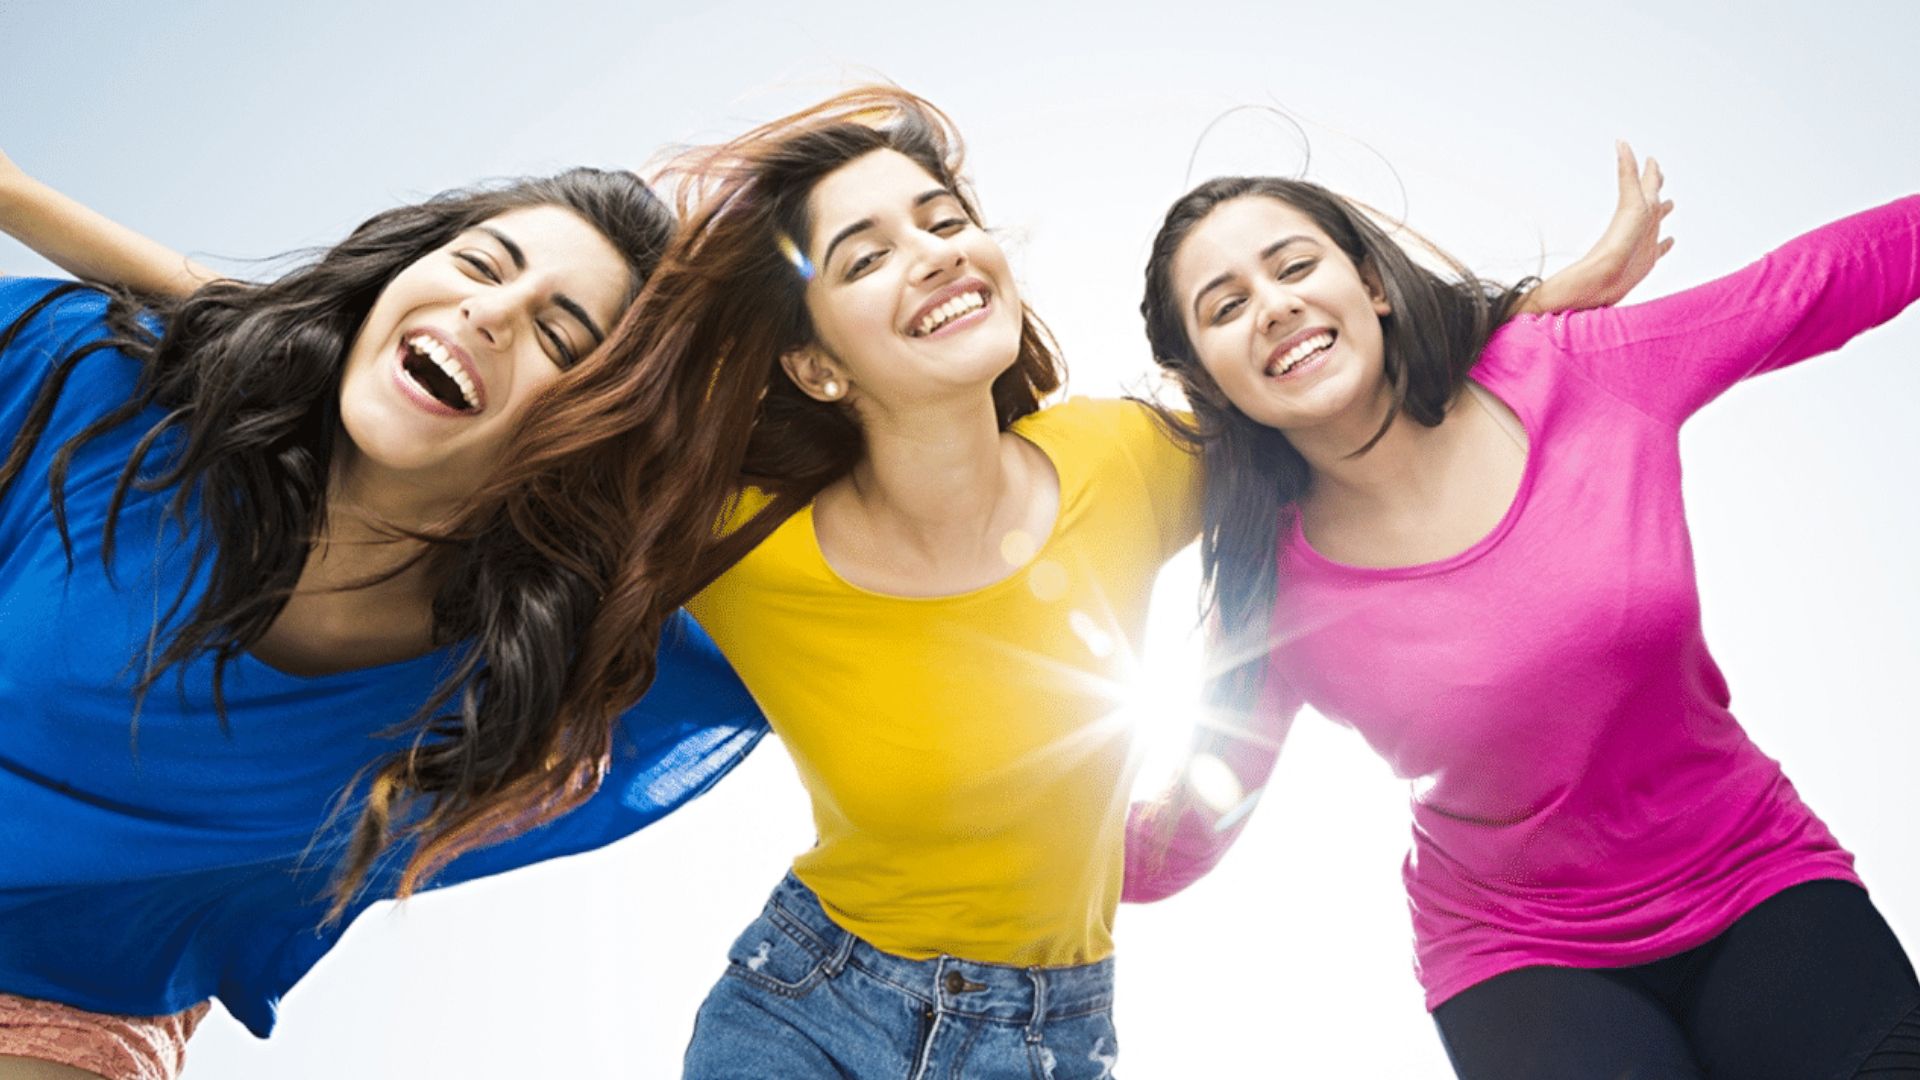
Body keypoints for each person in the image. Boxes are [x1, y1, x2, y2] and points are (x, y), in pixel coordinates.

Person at [529, 86, 1660, 1078]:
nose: (934, 254)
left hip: (1043, 1040)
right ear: (816, 365)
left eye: (944, 221)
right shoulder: (740, 543)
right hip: (805, 1009)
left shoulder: (1122, 460)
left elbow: (1318, 395)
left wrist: (1529, 307)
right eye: (866, 258)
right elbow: (517, 513)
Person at [1125, 158, 1920, 1077]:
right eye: (1225, 307)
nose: (1273, 306)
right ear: (1206, 379)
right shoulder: (1266, 596)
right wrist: (992, 818)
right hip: (1519, 956)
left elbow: (1808, 287)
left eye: (1295, 266)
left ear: (1372, 285)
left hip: (1753, 875)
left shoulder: (1573, 368)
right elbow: (1183, 839)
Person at [0, 162, 764, 1080]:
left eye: (561, 337)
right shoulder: (92, 384)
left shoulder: (565, 657)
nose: (491, 312)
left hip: (61, 1004)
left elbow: (881, 543)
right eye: (480, 265)